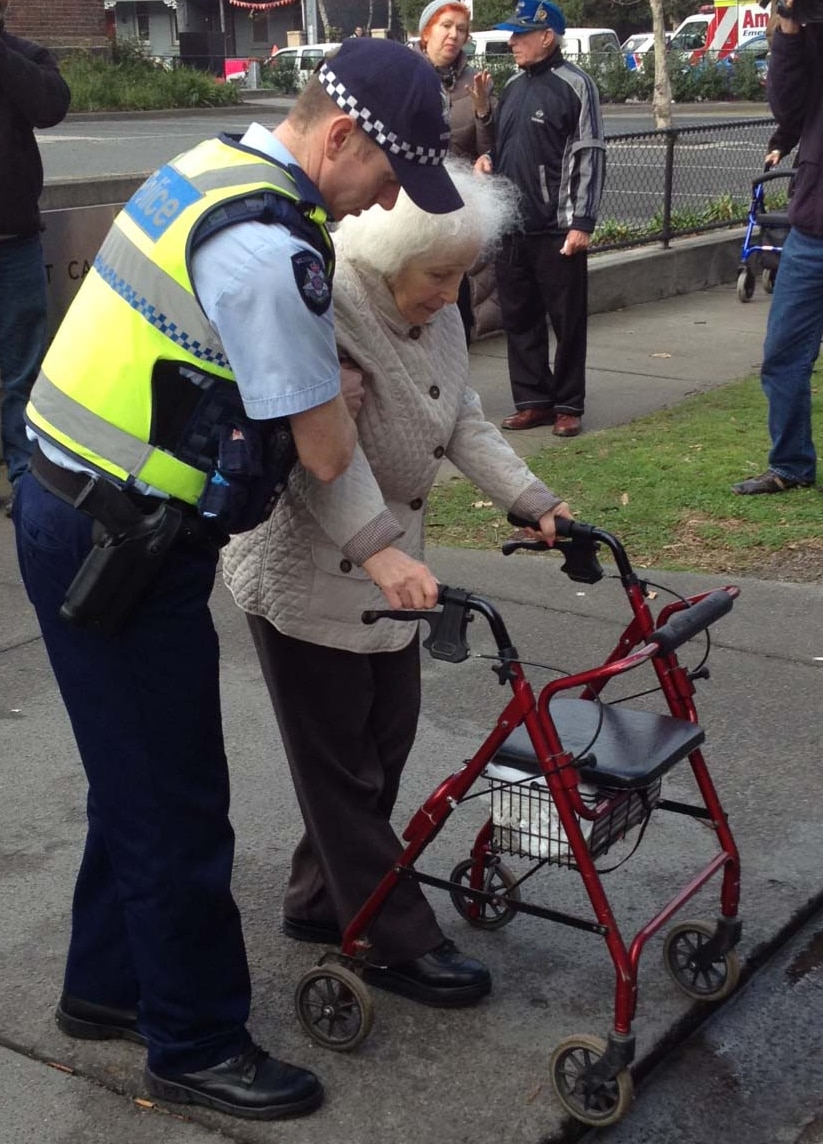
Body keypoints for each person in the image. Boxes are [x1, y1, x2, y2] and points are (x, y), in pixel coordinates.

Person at [14, 38, 462, 1121]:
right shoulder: (272, 251)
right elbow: (320, 452)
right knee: (177, 802)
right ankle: (196, 1038)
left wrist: (316, 382)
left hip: (75, 509)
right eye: (389, 175)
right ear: (341, 135)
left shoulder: (207, 170)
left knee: (136, 778)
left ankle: (105, 988)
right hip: (121, 545)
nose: (383, 205)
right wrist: (382, 546)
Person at [222, 161, 571, 1008]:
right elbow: (318, 461)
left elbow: (464, 420)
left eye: (464, 274)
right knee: (340, 769)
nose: (455, 294)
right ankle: (392, 936)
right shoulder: (329, 303)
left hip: (392, 575)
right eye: (440, 275)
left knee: (382, 746)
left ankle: (318, 901)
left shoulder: (436, 313)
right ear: (385, 261)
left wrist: (533, 501)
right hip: (311, 570)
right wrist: (381, 547)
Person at [731, 3, 823, 527]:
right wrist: (789, 26)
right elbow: (788, 109)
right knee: (783, 351)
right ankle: (790, 465)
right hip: (817, 216)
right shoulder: (820, 38)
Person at [475, 0, 605, 440]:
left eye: (519, 34)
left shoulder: (576, 85)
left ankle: (569, 404)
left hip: (558, 226)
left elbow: (589, 153)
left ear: (546, 36)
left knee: (567, 320)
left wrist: (582, 220)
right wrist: (488, 158)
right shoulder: (512, 86)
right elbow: (502, 145)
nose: (511, 42)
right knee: (519, 317)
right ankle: (533, 401)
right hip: (513, 226)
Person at [0, 0, 70, 516]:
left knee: (19, 371)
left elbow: (51, 106)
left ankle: (25, 477)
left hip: (14, 242)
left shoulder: (24, 56)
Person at [417, 0, 496, 342]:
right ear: (426, 32)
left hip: (459, 204)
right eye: (445, 26)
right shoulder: (405, 75)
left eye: (461, 29)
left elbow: (488, 147)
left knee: (457, 299)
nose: (453, 35)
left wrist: (482, 111)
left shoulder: (477, 82)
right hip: (413, 206)